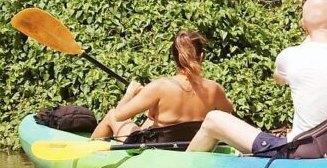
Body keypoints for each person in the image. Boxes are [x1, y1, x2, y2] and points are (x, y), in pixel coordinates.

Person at [186, 0, 327, 157]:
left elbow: (279, 78)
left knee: (214, 119)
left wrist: (310, 31)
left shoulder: (290, 57)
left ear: (303, 25)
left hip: (302, 154)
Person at [91, 30, 233, 145]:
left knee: (111, 115)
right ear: (201, 56)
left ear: (175, 57)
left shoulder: (160, 86)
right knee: (151, 121)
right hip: (190, 145)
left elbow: (119, 115)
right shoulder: (214, 89)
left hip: (156, 148)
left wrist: (130, 94)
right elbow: (229, 109)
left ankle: (87, 158)